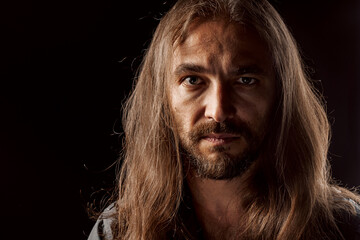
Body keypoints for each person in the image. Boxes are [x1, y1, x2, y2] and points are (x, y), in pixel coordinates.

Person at [88, 0, 360, 239]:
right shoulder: (120, 231)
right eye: (193, 80)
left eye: (245, 81)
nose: (218, 111)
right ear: (162, 96)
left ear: (281, 93)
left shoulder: (345, 228)